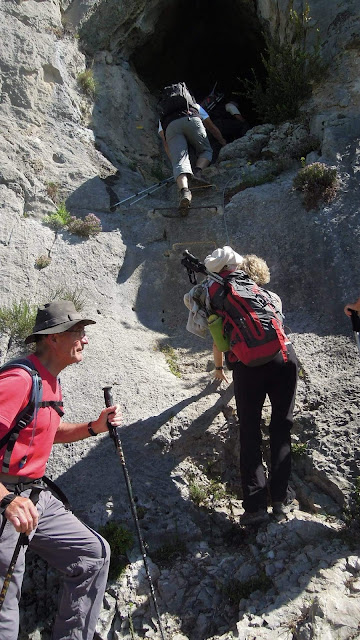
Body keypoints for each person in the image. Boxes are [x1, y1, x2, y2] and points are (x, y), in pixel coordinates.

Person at [0, 299, 122, 640]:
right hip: (6, 498)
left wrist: (93, 427)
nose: (85, 339)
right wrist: (6, 500)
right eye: (78, 332)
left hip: (33, 495)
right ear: (52, 338)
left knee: (92, 554)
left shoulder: (49, 380)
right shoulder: (18, 381)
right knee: (4, 599)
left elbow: (44, 434)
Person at [205, 248, 298, 526]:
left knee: (249, 431)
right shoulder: (270, 297)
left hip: (248, 366)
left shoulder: (219, 297)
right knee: (282, 427)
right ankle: (282, 500)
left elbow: (217, 339)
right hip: (284, 357)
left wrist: (219, 367)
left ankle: (256, 507)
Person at [158, 89, 226, 211]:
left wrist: (175, 163)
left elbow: (165, 142)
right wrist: (223, 142)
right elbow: (211, 127)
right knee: (206, 150)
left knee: (180, 161)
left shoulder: (164, 114)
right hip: (191, 119)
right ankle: (198, 173)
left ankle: (185, 192)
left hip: (171, 127)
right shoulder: (195, 106)